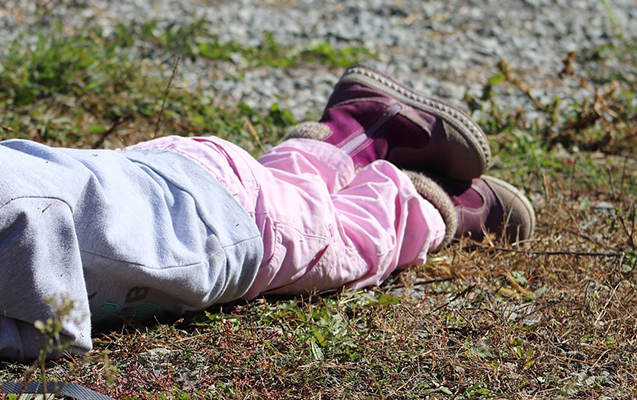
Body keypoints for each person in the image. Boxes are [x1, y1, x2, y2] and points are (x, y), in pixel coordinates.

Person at [0, 65, 535, 361]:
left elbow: (54, 328)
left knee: (342, 240)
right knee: (287, 194)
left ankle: (430, 203)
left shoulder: (17, 223)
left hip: (220, 226)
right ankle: (354, 130)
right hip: (176, 179)